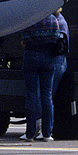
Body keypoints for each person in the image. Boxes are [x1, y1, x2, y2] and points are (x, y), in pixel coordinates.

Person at [20, 12, 63, 141]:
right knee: (47, 96)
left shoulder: (29, 18)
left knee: (31, 95)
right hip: (48, 56)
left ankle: (30, 132)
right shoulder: (53, 20)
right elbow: (56, 38)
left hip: (31, 55)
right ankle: (47, 133)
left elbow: (23, 40)